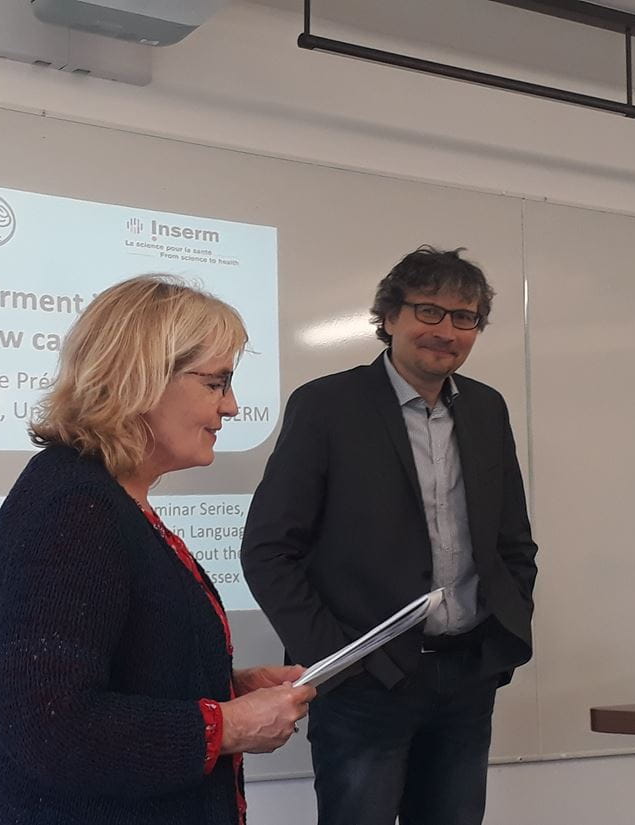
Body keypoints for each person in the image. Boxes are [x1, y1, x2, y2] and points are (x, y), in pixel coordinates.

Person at [0, 274, 316, 825]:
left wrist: (225, 689)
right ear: (141, 379)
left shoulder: (102, 498)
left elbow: (119, 670)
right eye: (216, 383)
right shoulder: (74, 508)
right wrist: (228, 725)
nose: (231, 407)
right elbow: (49, 724)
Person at [241, 246, 538, 825]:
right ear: (389, 317)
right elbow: (269, 549)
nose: (446, 331)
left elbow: (513, 541)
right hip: (364, 688)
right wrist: (337, 659)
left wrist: (507, 622)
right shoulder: (327, 405)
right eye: (428, 311)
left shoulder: (486, 409)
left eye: (464, 317)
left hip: (467, 676)